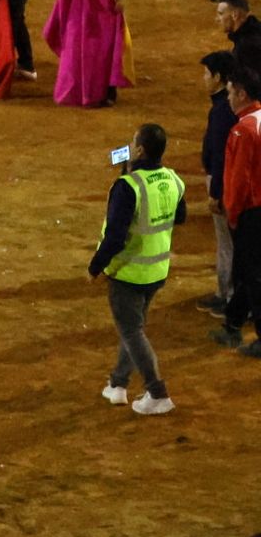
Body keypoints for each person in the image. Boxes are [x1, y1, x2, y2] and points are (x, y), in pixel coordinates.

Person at [90, 122, 186, 415]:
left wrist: (95, 266)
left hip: (128, 273)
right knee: (132, 328)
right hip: (157, 271)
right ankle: (117, 385)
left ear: (141, 149)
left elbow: (116, 236)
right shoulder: (173, 179)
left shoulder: (128, 187)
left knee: (132, 331)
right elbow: (179, 216)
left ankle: (158, 393)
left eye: (133, 143)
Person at [213, 69, 261, 354]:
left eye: (231, 92)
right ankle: (232, 323)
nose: (228, 98)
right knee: (247, 271)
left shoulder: (243, 130)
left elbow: (238, 180)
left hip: (251, 214)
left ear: (242, 94)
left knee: (252, 274)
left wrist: (232, 214)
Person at [202, 51, 242, 315]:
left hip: (224, 183)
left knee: (227, 243)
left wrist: (215, 192)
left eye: (206, 73)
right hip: (232, 182)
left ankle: (228, 296)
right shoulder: (228, 107)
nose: (203, 79)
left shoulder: (221, 111)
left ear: (218, 77)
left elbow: (219, 156)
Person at [219, 0, 261, 77]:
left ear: (234, 15)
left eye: (221, 14)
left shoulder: (246, 46)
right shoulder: (255, 29)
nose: (217, 19)